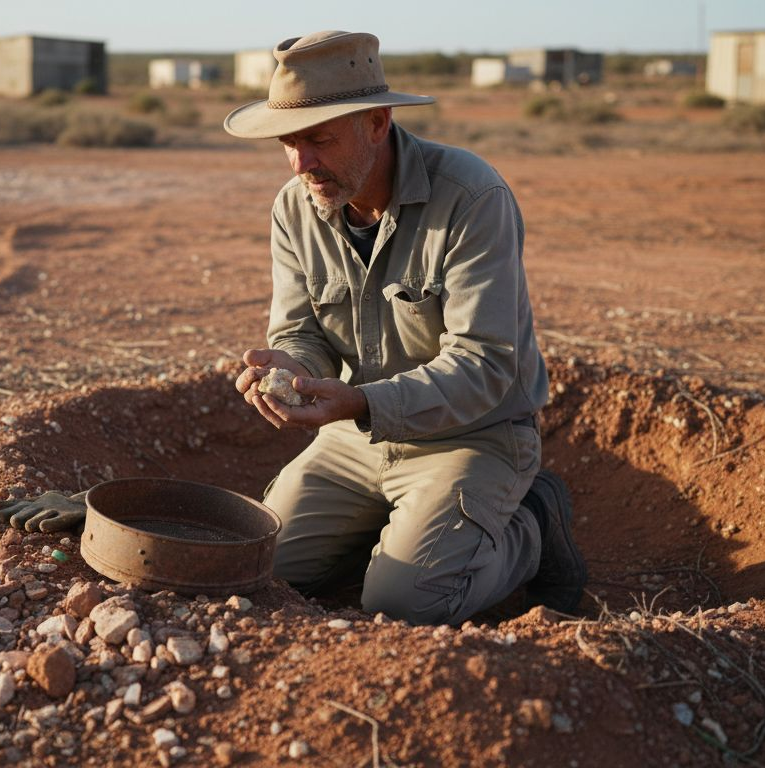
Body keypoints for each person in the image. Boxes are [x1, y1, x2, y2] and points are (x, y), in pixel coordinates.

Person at [225, 30, 586, 625]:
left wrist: (360, 400)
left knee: (403, 603)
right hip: (355, 438)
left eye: (318, 139)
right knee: (257, 571)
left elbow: (487, 363)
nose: (301, 163)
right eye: (289, 143)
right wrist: (293, 367)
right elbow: (300, 332)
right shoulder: (295, 206)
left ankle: (534, 529)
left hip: (472, 436)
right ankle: (402, 540)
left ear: (377, 121)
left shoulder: (471, 196)